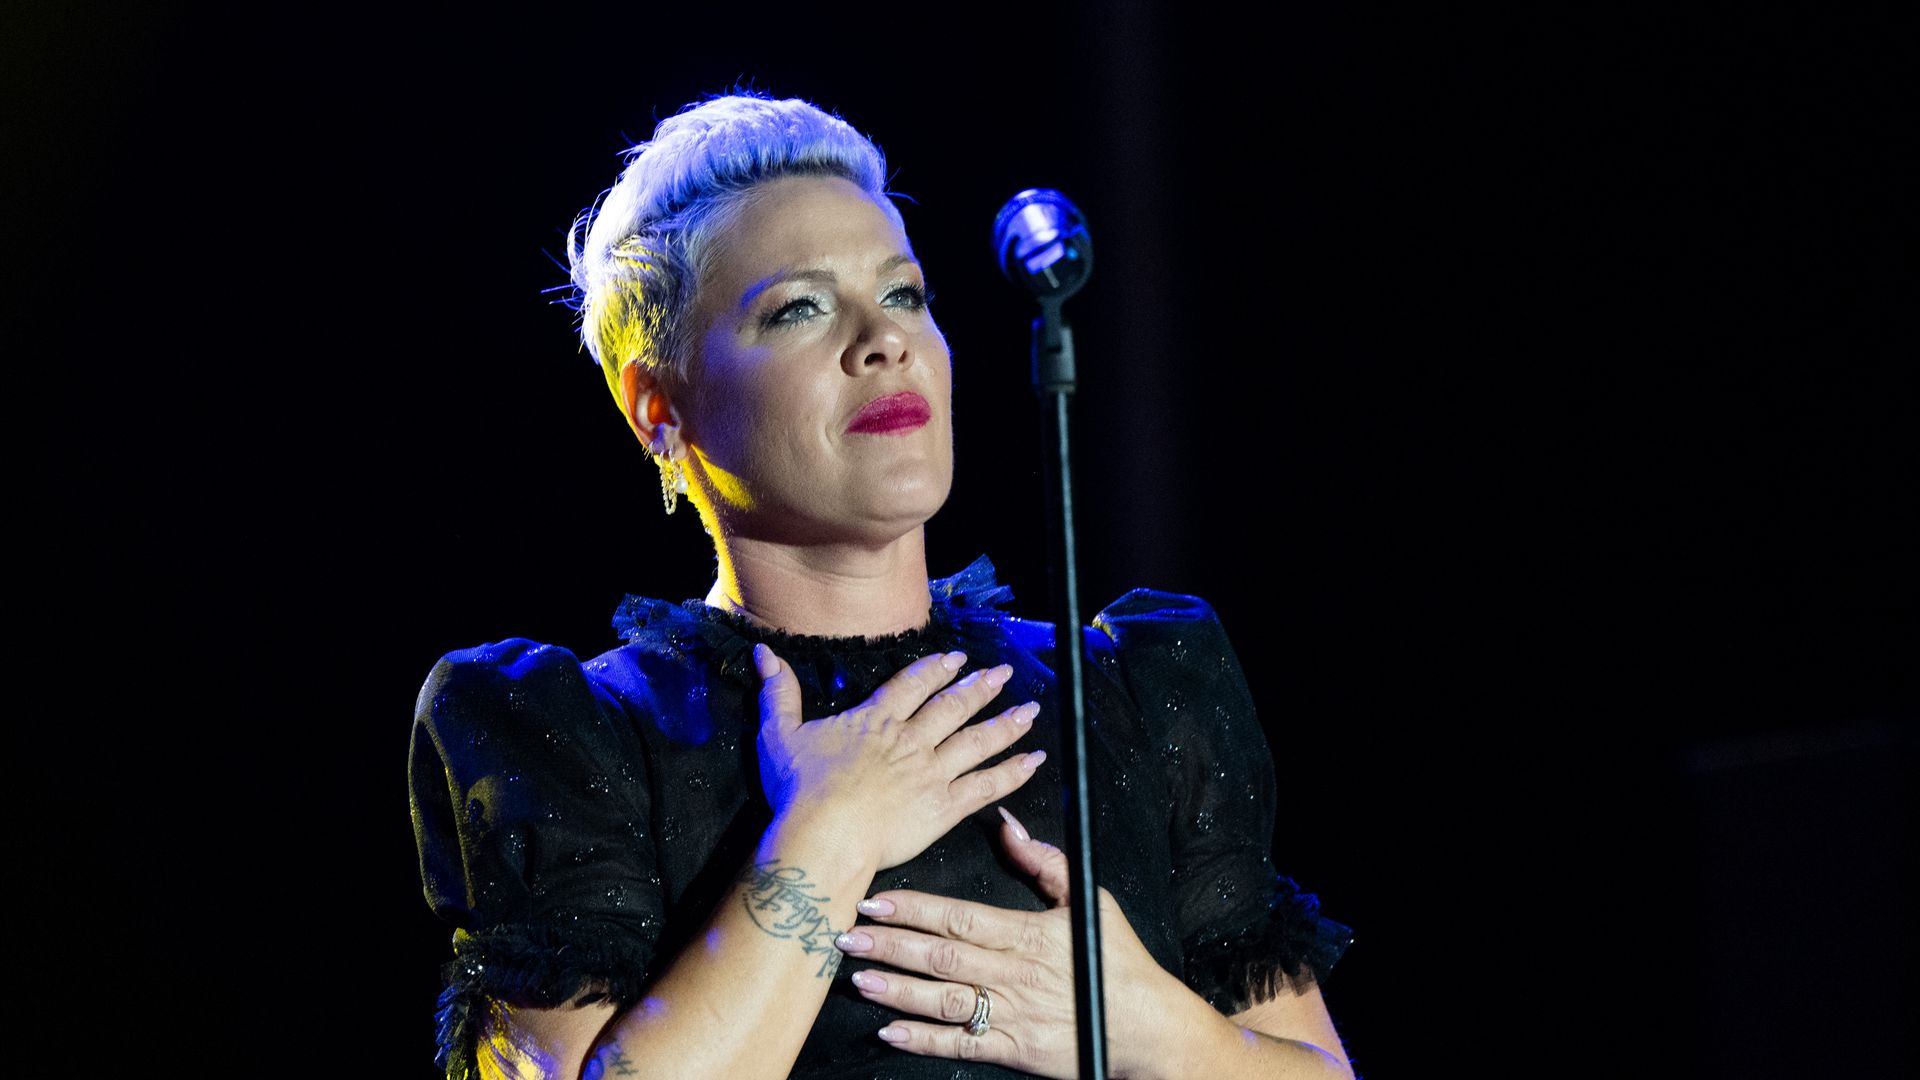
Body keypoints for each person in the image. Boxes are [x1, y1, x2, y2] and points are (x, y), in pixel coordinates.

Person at [409, 92, 1355, 1080]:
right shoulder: (575, 733)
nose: (884, 339)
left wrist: (1149, 1027)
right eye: (799, 308)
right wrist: (827, 834)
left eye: (903, 294)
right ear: (661, 406)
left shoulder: (1131, 693)